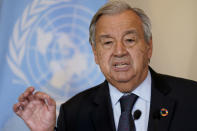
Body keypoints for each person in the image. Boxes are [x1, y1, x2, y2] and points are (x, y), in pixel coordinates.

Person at [13, 1, 197, 131]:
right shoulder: (74, 113)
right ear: (95, 53)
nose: (119, 51)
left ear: (149, 47)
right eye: (108, 42)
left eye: (130, 40)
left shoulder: (192, 98)